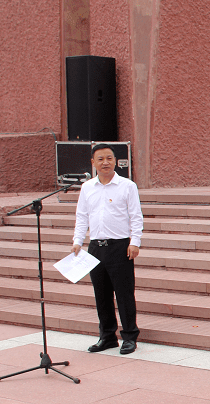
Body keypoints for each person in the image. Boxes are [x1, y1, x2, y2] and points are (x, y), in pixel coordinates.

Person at [71, 143, 143, 355]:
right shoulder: (87, 188)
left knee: (124, 294)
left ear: (115, 161)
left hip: (120, 247)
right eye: (100, 159)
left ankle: (129, 337)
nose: (105, 162)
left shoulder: (127, 186)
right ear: (93, 163)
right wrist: (78, 240)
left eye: (109, 158)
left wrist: (135, 242)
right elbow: (82, 216)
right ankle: (108, 336)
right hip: (95, 247)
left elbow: (136, 216)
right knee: (101, 295)